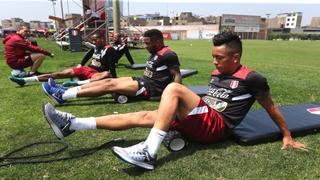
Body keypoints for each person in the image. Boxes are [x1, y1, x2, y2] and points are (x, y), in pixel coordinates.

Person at [42, 32, 307, 170]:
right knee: (146, 115)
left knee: (174, 89)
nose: (214, 62)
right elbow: (212, 98)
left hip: (216, 129)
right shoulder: (217, 74)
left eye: (219, 58)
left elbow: (270, 107)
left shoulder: (253, 78)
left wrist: (286, 135)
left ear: (235, 57)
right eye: (213, 57)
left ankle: (149, 151)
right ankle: (73, 124)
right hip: (200, 120)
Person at [42, 29, 181, 104]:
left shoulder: (168, 54)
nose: (145, 46)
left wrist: (175, 95)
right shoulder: (156, 52)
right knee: (108, 81)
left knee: (109, 86)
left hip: (151, 89)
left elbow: (176, 75)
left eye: (147, 43)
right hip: (143, 80)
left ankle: (63, 96)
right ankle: (65, 89)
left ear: (158, 41)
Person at [9, 33, 117, 87]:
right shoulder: (95, 47)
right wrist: (80, 65)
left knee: (102, 77)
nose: (93, 42)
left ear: (102, 39)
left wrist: (114, 79)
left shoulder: (109, 49)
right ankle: (25, 80)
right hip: (86, 69)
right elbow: (86, 57)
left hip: (98, 73)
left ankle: (78, 83)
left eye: (95, 40)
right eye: (92, 40)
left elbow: (112, 66)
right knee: (59, 74)